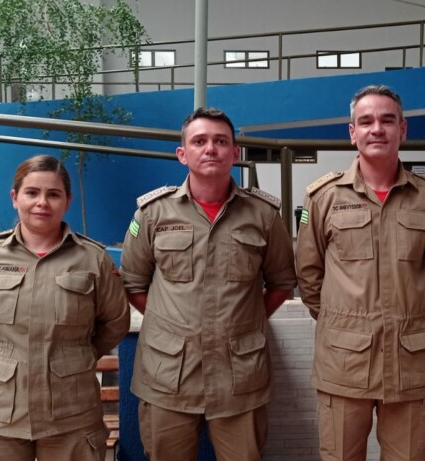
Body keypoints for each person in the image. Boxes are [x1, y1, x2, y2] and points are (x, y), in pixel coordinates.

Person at [119, 107, 297, 461]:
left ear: (235, 152)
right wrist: (170, 324)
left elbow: (281, 283)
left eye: (221, 141)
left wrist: (244, 321)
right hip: (168, 375)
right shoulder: (152, 213)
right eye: (199, 141)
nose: (211, 149)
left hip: (239, 377)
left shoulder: (263, 215)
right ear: (182, 154)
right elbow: (133, 284)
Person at [295, 85, 425, 461]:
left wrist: (401, 314)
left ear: (403, 129)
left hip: (409, 363)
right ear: (353, 133)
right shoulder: (323, 198)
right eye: (366, 121)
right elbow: (308, 276)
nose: (376, 129)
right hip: (344, 364)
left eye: (387, 120)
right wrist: (344, 324)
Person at [0, 154, 131, 461]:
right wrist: (4, 358)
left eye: (53, 194)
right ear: (15, 197)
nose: (42, 203)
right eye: (32, 192)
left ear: (67, 201)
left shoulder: (93, 260)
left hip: (71, 413)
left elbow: (115, 321)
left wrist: (77, 355)